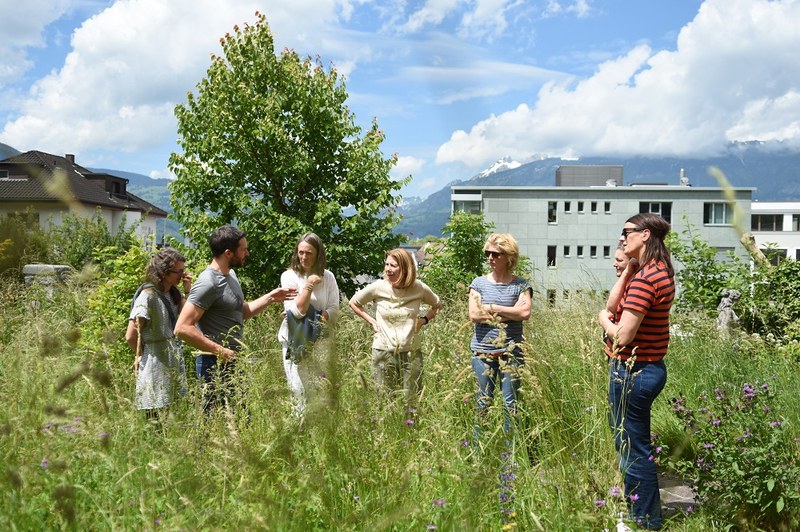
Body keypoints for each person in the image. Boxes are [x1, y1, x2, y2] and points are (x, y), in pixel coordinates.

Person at [598, 213, 675, 530]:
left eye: (626, 232)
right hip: (646, 369)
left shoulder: (646, 280)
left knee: (633, 449)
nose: (621, 237)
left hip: (634, 372)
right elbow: (615, 303)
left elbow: (622, 333)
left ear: (645, 235)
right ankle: (644, 514)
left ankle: (643, 521)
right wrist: (628, 268)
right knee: (632, 445)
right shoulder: (651, 271)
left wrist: (601, 320)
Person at [174, 225, 296, 413]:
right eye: (243, 249)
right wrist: (220, 351)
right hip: (212, 365)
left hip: (232, 361)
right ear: (229, 253)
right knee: (211, 426)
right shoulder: (208, 283)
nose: (247, 253)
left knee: (239, 421)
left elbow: (240, 312)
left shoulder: (230, 275)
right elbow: (182, 328)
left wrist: (271, 297)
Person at [349, 248, 441, 411]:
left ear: (405, 268)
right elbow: (354, 303)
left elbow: (437, 305)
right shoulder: (378, 287)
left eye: (393, 266)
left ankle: (411, 432)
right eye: (386, 265)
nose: (388, 269)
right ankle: (387, 434)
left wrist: (424, 320)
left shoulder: (418, 287)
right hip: (383, 352)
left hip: (412, 353)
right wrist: (371, 321)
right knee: (385, 402)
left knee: (412, 402)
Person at [468, 233, 532, 433]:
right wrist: (510, 312)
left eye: (495, 254)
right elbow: (475, 314)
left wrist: (492, 307)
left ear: (508, 256)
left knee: (510, 404)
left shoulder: (521, 284)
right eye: (488, 253)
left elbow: (524, 312)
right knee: (482, 404)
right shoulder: (478, 283)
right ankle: (480, 454)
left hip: (512, 352)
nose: (490, 258)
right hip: (482, 353)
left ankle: (510, 458)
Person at [125, 247, 192, 425]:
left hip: (172, 361)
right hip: (155, 364)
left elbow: (187, 319)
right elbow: (131, 335)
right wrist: (141, 355)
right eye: (178, 271)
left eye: (182, 270)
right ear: (164, 271)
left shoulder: (173, 293)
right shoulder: (148, 296)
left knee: (174, 421)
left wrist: (187, 291)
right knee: (156, 423)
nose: (182, 274)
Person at [278, 233, 340, 415]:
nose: (303, 257)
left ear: (318, 254)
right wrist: (309, 285)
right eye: (301, 253)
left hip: (321, 341)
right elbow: (297, 311)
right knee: (299, 390)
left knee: (320, 389)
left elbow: (334, 308)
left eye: (309, 253)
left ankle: (317, 434)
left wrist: (315, 319)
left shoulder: (328, 277)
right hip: (295, 340)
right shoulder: (289, 276)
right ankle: (300, 432)